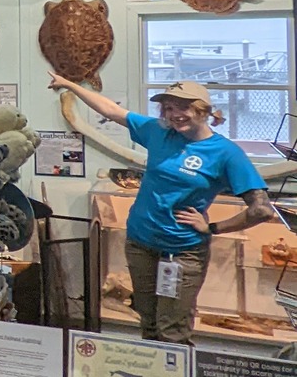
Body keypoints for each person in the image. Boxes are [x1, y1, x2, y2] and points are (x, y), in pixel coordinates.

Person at [50, 73, 275, 343]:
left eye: (183, 107)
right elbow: (111, 110)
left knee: (172, 330)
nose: (174, 114)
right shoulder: (159, 132)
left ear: (202, 110)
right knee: (148, 322)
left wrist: (213, 227)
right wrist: (69, 83)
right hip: (140, 242)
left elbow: (262, 209)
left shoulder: (226, 152)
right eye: (168, 107)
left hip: (181, 251)